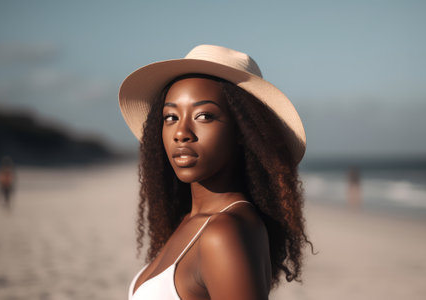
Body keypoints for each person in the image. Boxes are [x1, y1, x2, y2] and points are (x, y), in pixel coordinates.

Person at [119, 45, 311, 300]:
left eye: (204, 115)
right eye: (170, 117)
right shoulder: (191, 221)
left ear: (243, 132)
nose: (181, 132)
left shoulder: (223, 233)